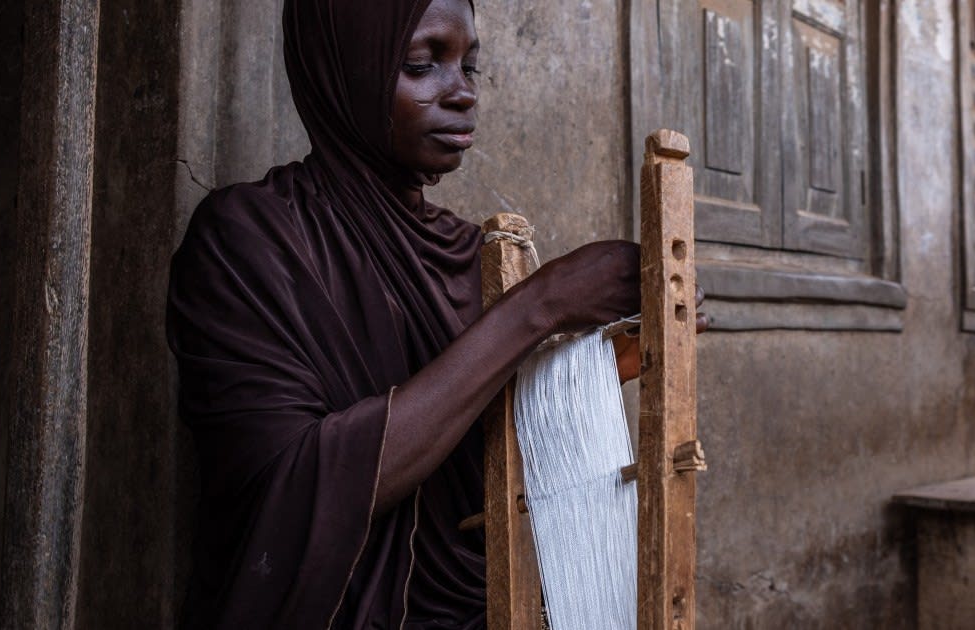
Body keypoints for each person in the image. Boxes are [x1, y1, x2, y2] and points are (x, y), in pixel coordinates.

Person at [166, 0, 703, 627]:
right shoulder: (248, 240)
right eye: (423, 64)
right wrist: (544, 304)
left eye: (470, 70)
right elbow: (293, 487)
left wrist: (611, 359)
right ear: (344, 72)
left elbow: (481, 432)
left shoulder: (469, 252)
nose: (462, 94)